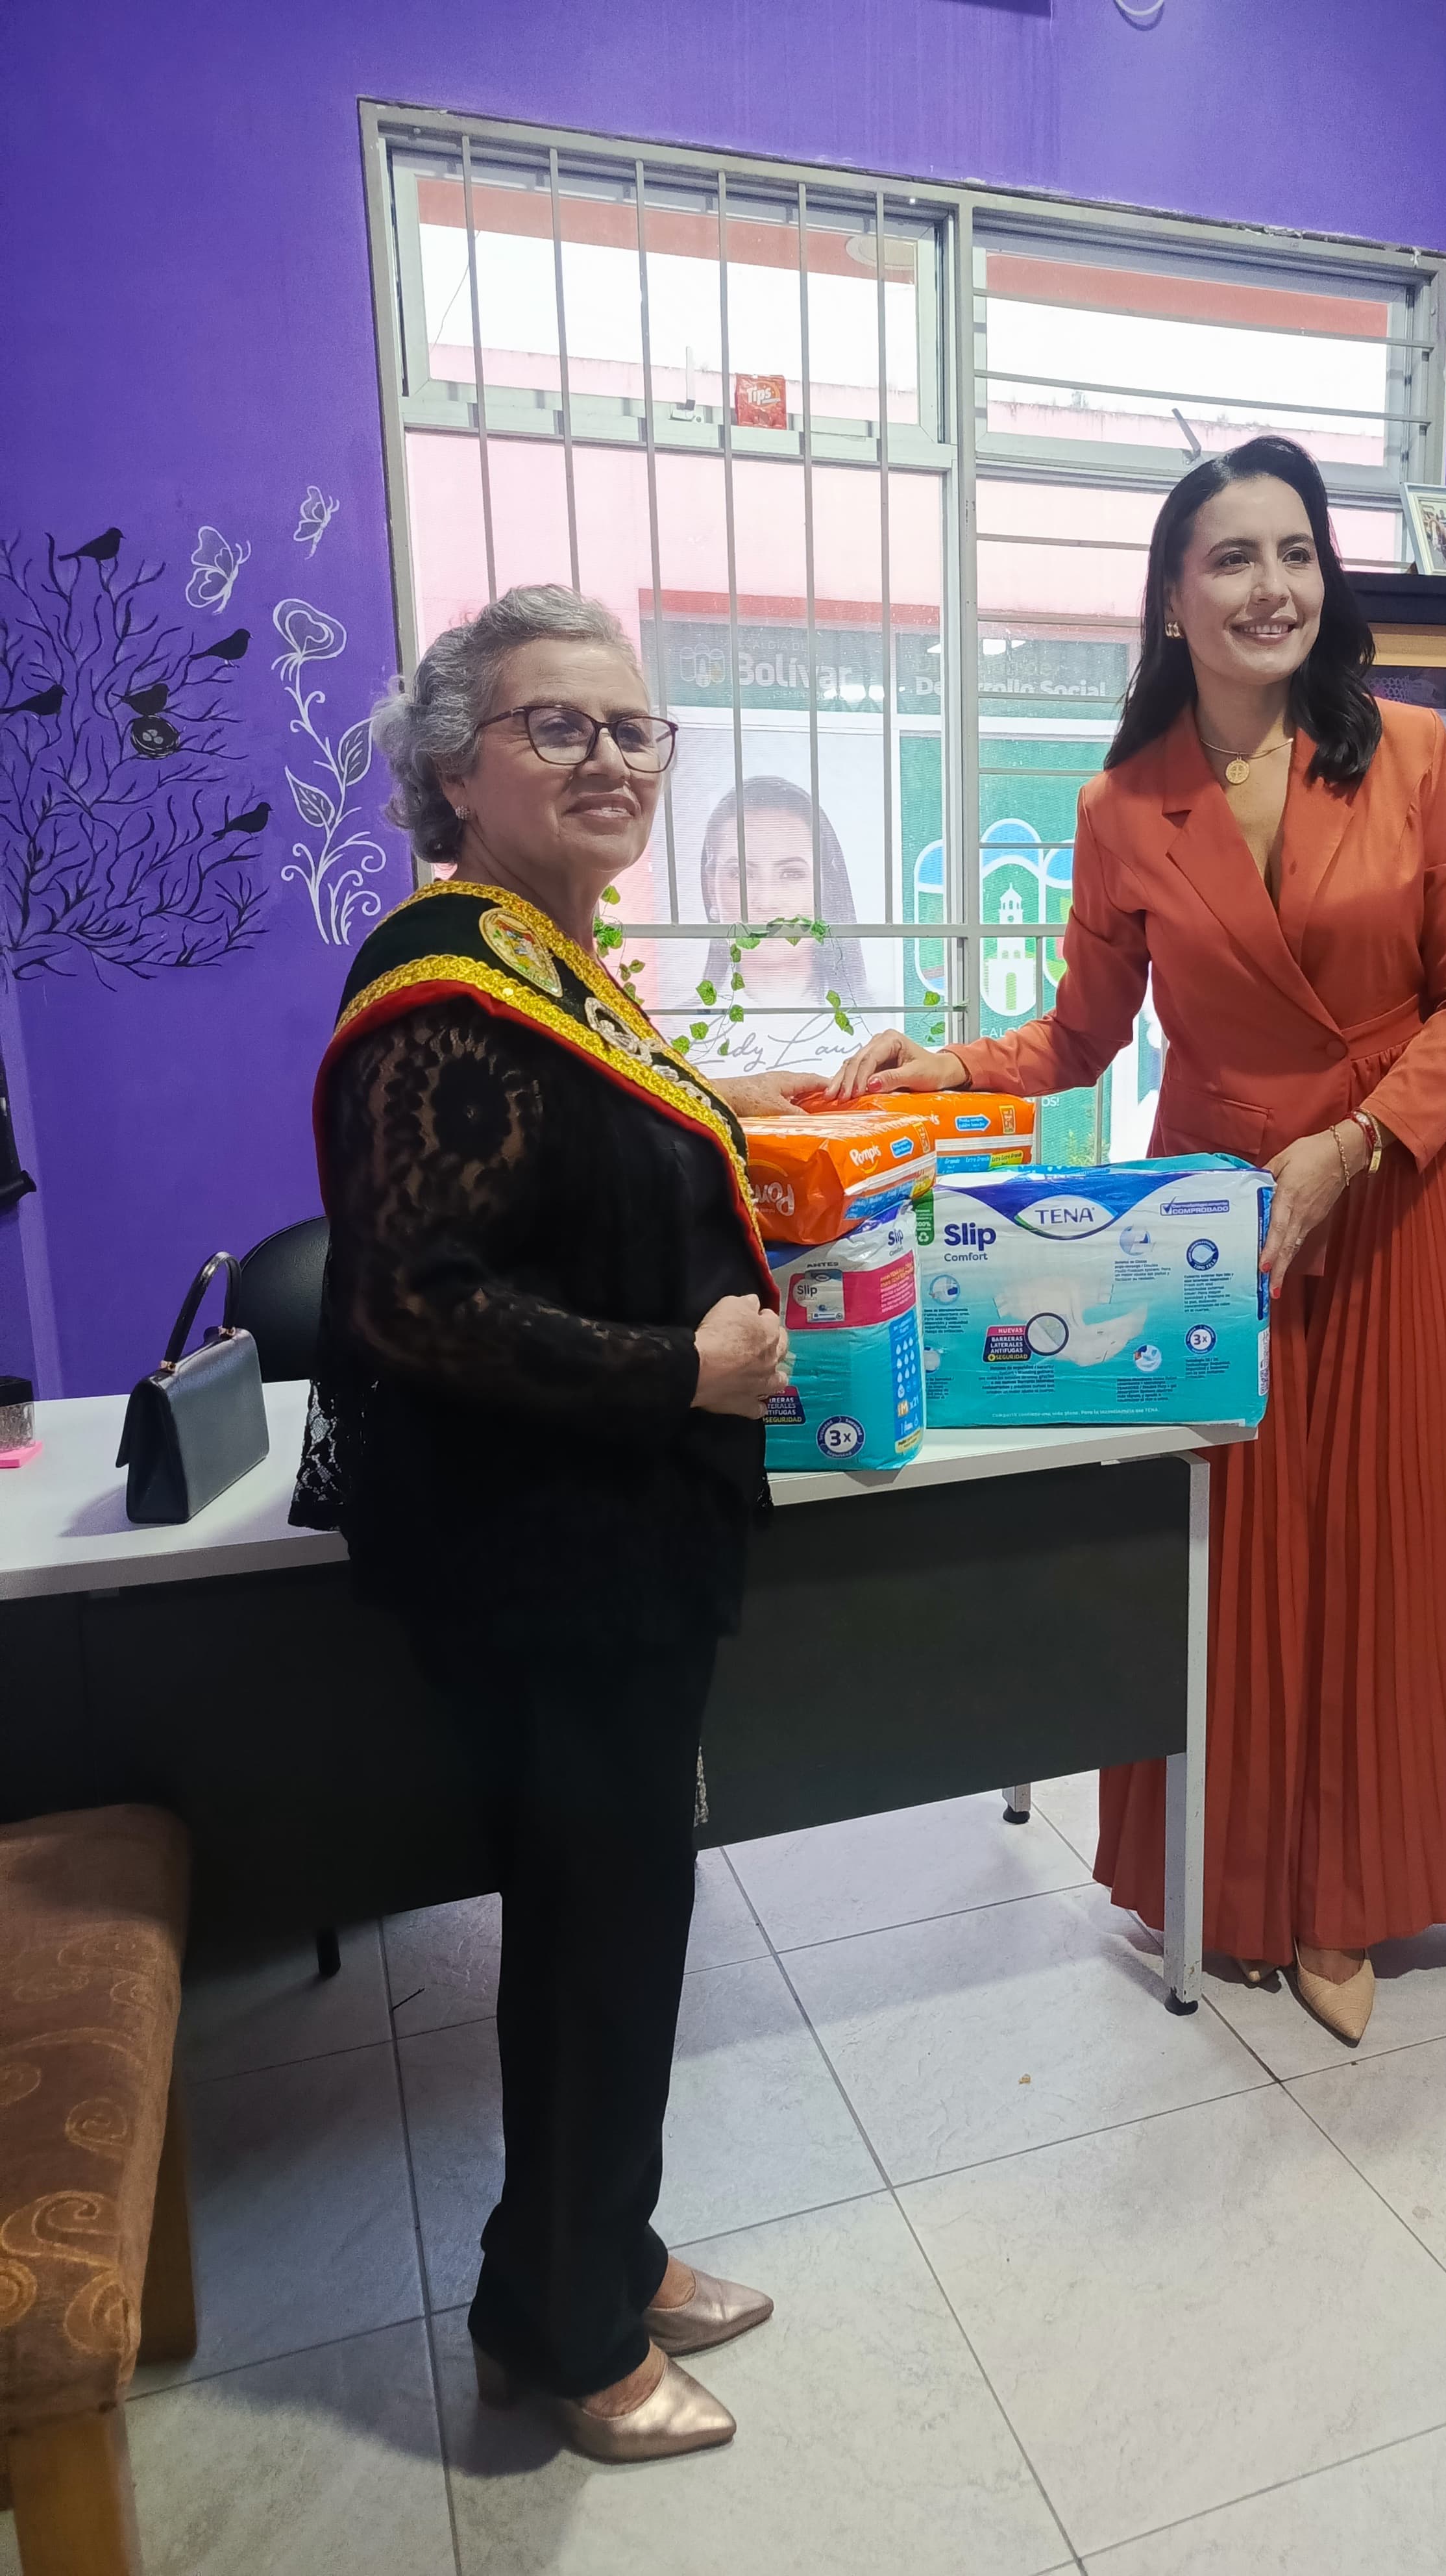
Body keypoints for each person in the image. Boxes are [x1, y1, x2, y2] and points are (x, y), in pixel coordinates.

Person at [827, 436, 1446, 2045]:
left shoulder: (1412, 753)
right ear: (1170, 598)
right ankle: (1241, 1873)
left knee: (1396, 1538)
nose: (1270, 587)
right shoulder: (1122, 803)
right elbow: (1081, 1033)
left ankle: (1354, 1889)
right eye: (1232, 557)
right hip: (1222, 1211)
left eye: (1296, 552)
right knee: (1236, 1549)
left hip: (1401, 1184)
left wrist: (1354, 1144)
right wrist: (949, 1063)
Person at [293, 586, 816, 2460]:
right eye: (558, 725)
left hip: (614, 1543)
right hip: (550, 1555)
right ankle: (574, 2339)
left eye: (633, 727)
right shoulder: (441, 982)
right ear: (457, 768)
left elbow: (566, 1178)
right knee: (601, 1935)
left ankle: (591, 2252)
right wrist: (686, 1367)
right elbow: (415, 1304)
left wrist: (719, 1114)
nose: (611, 757)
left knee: (624, 1923)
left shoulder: (547, 955)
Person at [692, 774, 871, 1072]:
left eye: (791, 874)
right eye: (741, 874)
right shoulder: (669, 1030)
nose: (766, 901)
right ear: (711, 889)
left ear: (825, 887)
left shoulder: (879, 1023)